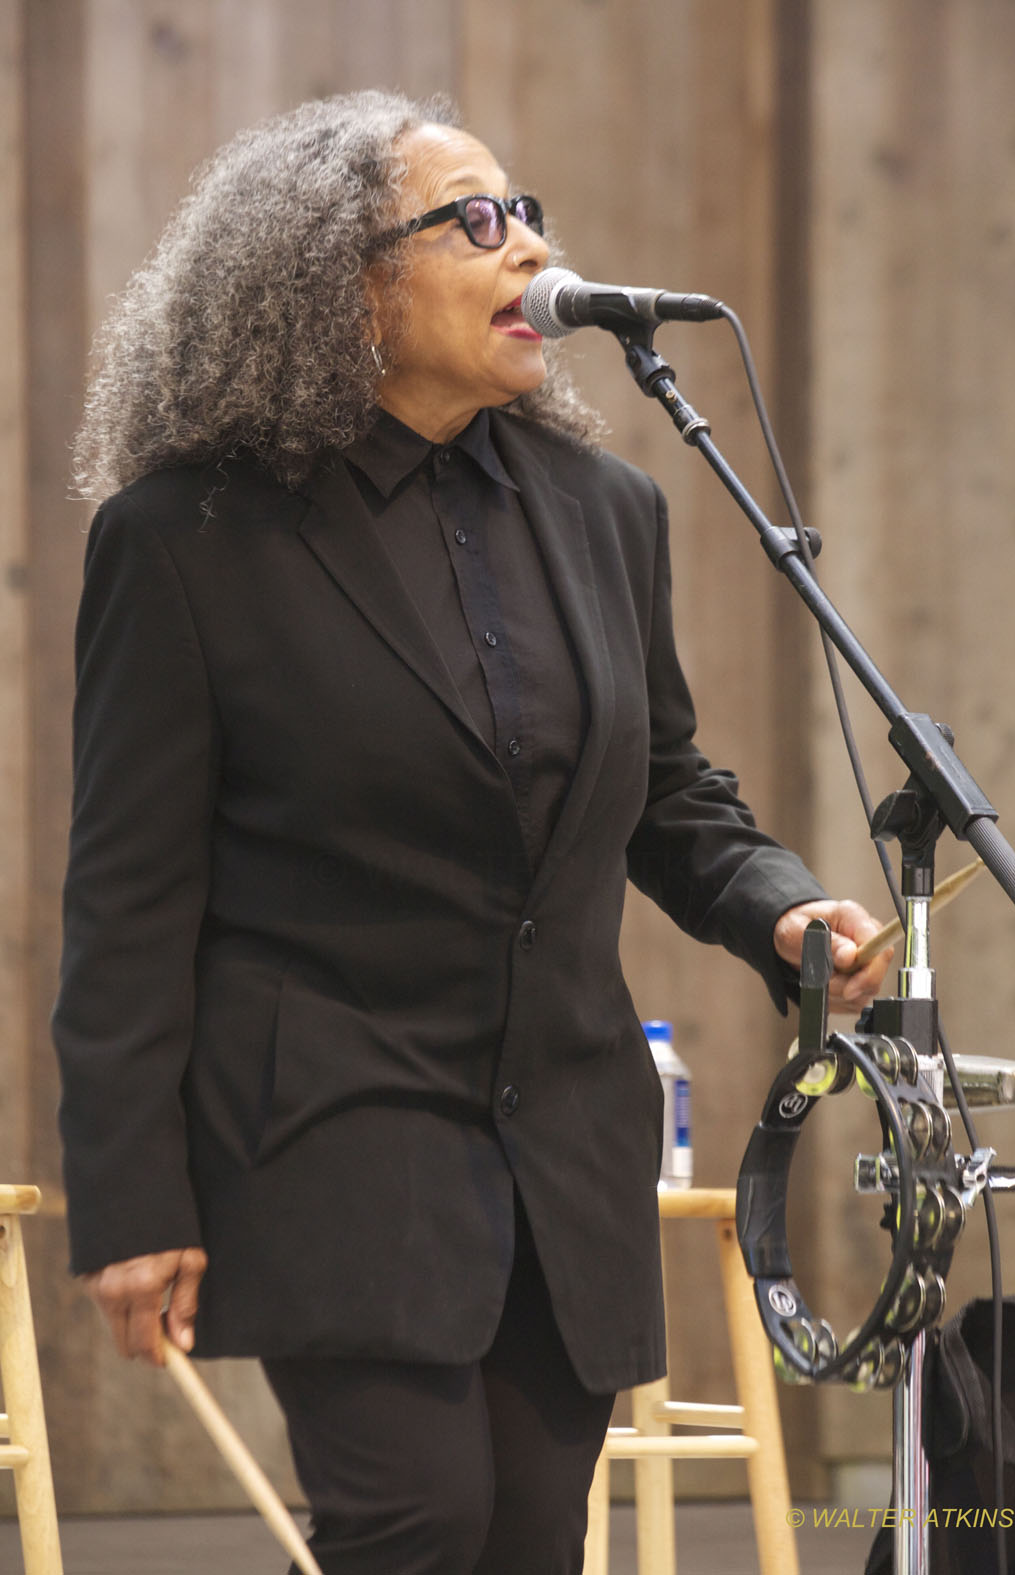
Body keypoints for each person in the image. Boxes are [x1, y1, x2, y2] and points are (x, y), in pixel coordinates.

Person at [53, 89, 893, 1575]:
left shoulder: (605, 508)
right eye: (474, 221)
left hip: (560, 1127)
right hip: (327, 1128)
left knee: (524, 1535)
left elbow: (668, 789)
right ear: (341, 281)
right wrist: (133, 1200)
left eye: (528, 213)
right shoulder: (188, 541)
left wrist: (773, 907)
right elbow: (127, 902)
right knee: (415, 1524)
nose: (530, 252)